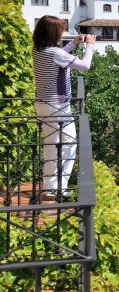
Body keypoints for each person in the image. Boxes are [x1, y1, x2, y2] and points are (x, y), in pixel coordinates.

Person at [31, 16, 96, 199]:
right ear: (54, 33)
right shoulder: (56, 53)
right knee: (69, 144)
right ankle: (59, 187)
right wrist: (89, 45)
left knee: (51, 144)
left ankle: (49, 187)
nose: (62, 33)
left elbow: (59, 57)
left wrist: (73, 44)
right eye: (60, 30)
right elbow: (85, 66)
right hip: (57, 105)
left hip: (42, 104)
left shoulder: (39, 50)